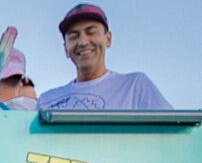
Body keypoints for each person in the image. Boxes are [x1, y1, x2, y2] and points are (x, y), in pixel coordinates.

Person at [38, 7, 172, 114]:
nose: (83, 42)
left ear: (108, 39)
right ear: (65, 49)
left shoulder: (135, 86)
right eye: (74, 36)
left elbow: (172, 135)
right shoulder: (46, 101)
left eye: (91, 32)